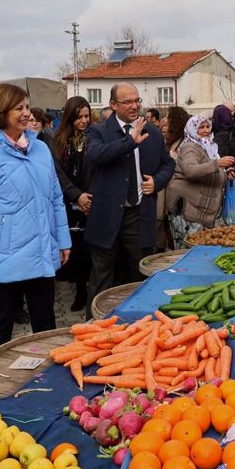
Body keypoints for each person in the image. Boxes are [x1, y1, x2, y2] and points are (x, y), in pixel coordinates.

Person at [0, 83, 71, 352]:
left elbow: (55, 199)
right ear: (1, 112)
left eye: (26, 107)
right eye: (19, 108)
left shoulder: (40, 149)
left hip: (41, 252)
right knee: (0, 327)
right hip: (4, 257)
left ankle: (49, 381)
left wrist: (63, 240)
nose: (26, 113)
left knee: (46, 324)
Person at [84, 83, 175, 307]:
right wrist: (129, 142)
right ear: (113, 105)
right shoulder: (99, 131)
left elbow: (168, 163)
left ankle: (137, 324)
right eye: (128, 102)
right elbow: (96, 154)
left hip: (139, 214)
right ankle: (95, 328)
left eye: (137, 101)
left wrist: (157, 181)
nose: (135, 106)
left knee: (138, 275)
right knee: (102, 278)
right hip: (106, 216)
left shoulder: (151, 133)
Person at [48, 96, 95, 314]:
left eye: (87, 116)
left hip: (91, 199)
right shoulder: (58, 141)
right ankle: (80, 291)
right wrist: (76, 195)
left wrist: (88, 197)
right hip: (68, 200)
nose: (84, 121)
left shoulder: (94, 137)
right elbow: (57, 174)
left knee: (91, 249)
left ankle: (92, 290)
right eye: (79, 117)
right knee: (74, 249)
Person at [165, 115, 235, 249]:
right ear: (192, 129)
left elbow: (208, 171)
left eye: (207, 126)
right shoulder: (189, 147)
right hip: (188, 210)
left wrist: (226, 174)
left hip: (200, 209)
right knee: (187, 251)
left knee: (199, 249)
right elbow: (190, 170)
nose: (206, 130)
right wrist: (218, 164)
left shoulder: (209, 147)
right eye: (201, 127)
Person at [156, 106, 189, 252]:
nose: (165, 123)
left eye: (168, 120)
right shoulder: (171, 142)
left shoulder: (183, 145)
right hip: (170, 194)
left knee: (176, 234)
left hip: (178, 199)